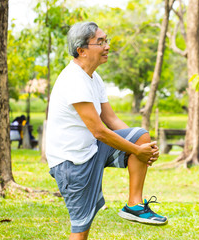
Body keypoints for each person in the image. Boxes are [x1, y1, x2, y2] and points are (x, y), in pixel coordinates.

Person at [46, 22, 167, 240]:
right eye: (100, 42)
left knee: (141, 136)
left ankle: (134, 205)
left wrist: (142, 147)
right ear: (81, 50)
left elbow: (110, 119)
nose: (107, 46)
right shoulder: (73, 79)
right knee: (81, 229)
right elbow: (99, 131)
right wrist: (137, 152)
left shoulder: (94, 78)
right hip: (71, 162)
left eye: (106, 40)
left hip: (92, 149)